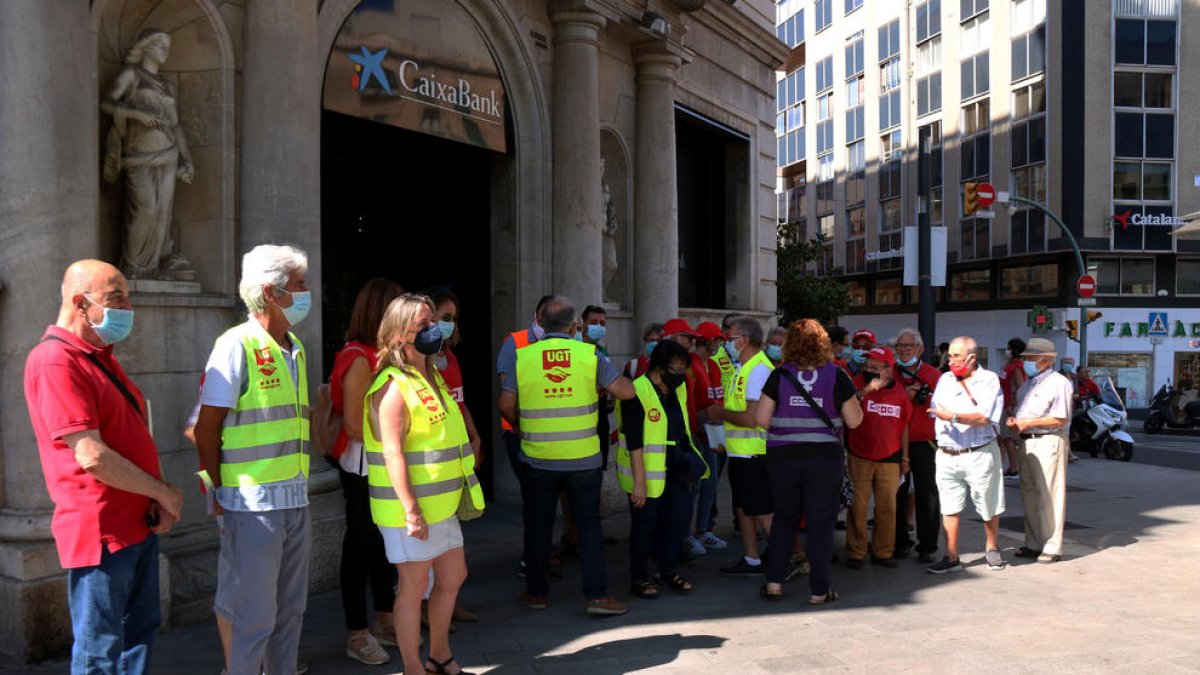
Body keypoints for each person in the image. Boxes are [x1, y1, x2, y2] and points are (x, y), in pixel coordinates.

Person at [24, 259, 183, 673]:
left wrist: (152, 497)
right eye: (117, 298)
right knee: (101, 651)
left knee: (134, 640)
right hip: (102, 533)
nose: (128, 307)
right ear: (80, 302)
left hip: (132, 525)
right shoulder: (57, 360)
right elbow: (90, 455)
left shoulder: (95, 356)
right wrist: (162, 491)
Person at [194, 245, 313, 674]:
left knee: (290, 614)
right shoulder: (235, 344)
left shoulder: (295, 345)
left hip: (295, 498)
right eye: (299, 285)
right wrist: (217, 492)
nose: (306, 293)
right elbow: (205, 429)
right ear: (272, 292)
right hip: (254, 505)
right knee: (255, 619)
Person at [364, 293, 484, 675]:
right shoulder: (393, 385)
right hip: (410, 512)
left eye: (434, 322)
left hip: (442, 506)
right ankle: (414, 667)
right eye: (424, 325)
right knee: (413, 588)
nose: (434, 330)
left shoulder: (430, 376)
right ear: (400, 335)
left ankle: (439, 654)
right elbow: (393, 453)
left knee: (453, 577)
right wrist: (411, 510)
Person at [497, 296, 636, 615]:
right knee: (587, 525)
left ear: (540, 324)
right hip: (583, 459)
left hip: (537, 457)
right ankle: (598, 597)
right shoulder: (589, 355)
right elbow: (625, 392)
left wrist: (524, 427)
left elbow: (505, 405)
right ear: (576, 326)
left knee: (538, 526)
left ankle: (536, 594)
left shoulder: (524, 357)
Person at [753, 319, 862, 602]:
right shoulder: (837, 376)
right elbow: (854, 420)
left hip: (783, 457)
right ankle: (818, 590)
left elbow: (761, 419)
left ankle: (774, 582)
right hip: (824, 458)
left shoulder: (779, 375)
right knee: (820, 522)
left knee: (784, 519)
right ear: (824, 343)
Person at [330, 278, 404, 665]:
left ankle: (387, 620)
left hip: (380, 464)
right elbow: (355, 424)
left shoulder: (381, 355)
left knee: (381, 548)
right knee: (359, 548)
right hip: (362, 467)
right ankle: (357, 634)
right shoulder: (359, 357)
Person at [618, 339, 710, 598]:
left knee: (679, 520)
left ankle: (667, 571)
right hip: (646, 469)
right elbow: (634, 441)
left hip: (677, 465)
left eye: (683, 370)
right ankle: (639, 578)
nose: (680, 376)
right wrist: (639, 482)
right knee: (644, 526)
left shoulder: (677, 389)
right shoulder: (636, 391)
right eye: (675, 369)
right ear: (658, 366)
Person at [926, 336, 1007, 574]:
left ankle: (992, 547)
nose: (951, 361)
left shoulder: (989, 380)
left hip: (979, 453)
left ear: (972, 357)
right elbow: (936, 410)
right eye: (949, 355)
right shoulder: (945, 379)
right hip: (947, 453)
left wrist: (953, 416)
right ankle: (951, 556)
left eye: (956, 356)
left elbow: (984, 417)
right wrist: (949, 416)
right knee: (949, 507)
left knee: (988, 503)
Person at [1007, 338, 1074, 564]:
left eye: (1031, 358)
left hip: (1048, 440)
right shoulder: (1029, 383)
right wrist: (1018, 422)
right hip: (1027, 440)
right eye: (1026, 358)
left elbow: (1061, 417)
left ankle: (1053, 546)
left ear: (1046, 359)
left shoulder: (1059, 383)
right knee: (1030, 494)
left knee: (1049, 495)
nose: (1027, 361)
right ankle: (1034, 543)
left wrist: (1028, 422)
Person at [718, 317, 775, 577]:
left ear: (745, 340)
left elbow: (752, 418)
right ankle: (752, 559)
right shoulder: (743, 366)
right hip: (739, 451)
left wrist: (719, 414)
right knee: (743, 508)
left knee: (762, 510)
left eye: (730, 339)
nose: (727, 343)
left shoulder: (758, 369)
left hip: (755, 453)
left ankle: (785, 560)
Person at [846, 347, 912, 569]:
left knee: (887, 507)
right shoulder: (855, 383)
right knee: (858, 505)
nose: (869, 370)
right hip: (859, 454)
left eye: (875, 367)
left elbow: (904, 426)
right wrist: (866, 390)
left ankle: (883, 551)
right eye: (867, 366)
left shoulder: (900, 394)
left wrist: (905, 457)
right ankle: (856, 551)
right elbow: (845, 408)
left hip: (890, 456)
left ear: (888, 369)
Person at [661, 319, 718, 558]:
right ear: (673, 338)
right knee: (687, 488)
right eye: (687, 338)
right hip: (681, 437)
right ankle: (680, 538)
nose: (692, 343)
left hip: (700, 432)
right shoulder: (678, 368)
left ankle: (695, 532)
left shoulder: (696, 365)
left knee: (705, 482)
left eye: (694, 339)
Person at [890, 328, 944, 563]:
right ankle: (899, 542)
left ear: (920, 350)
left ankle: (928, 546)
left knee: (928, 495)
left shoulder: (935, 375)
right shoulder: (888, 374)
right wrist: (903, 395)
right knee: (896, 494)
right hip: (895, 442)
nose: (903, 351)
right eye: (899, 347)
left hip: (925, 442)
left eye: (908, 347)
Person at [692, 321, 730, 551]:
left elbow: (719, 396)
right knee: (696, 484)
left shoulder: (712, 367)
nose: (719, 345)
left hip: (713, 433)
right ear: (708, 341)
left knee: (711, 482)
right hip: (696, 433)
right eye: (717, 340)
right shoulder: (692, 365)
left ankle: (703, 529)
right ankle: (688, 534)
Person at [999, 338, 1028, 478]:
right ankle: (1012, 467)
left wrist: (1011, 404)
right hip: (1005, 404)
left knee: (1009, 438)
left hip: (1009, 406)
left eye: (1009, 347)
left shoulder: (1016, 366)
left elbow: (1020, 387)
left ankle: (1014, 469)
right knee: (1007, 438)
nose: (1007, 350)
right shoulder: (1011, 364)